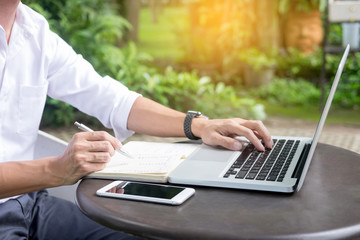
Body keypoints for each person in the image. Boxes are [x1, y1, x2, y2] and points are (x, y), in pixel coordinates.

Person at [0, 1, 273, 239]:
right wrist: (57, 170)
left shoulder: (34, 31)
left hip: (30, 204)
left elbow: (113, 100)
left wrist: (200, 125)